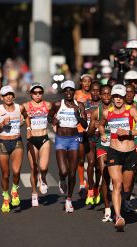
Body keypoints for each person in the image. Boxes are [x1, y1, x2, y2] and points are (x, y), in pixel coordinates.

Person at [99, 84, 137, 231]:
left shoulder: (131, 110)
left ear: (124, 97)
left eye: (120, 96)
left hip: (130, 152)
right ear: (112, 97)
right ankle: (118, 215)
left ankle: (123, 202)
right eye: (116, 97)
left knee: (126, 187)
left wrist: (129, 133)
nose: (118, 99)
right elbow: (101, 125)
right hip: (114, 151)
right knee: (117, 183)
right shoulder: (107, 112)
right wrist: (103, 133)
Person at [48, 80, 88, 213]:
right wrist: (53, 121)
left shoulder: (79, 105)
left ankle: (69, 199)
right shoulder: (58, 104)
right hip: (61, 139)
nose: (69, 92)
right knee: (64, 171)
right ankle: (61, 178)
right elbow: (49, 117)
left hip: (74, 139)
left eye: (71, 90)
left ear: (74, 91)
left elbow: (85, 125)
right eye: (66, 90)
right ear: (63, 92)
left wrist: (78, 116)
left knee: (72, 172)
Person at [0, 85, 29, 213]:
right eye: (6, 95)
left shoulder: (19, 107)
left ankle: (15, 190)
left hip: (17, 141)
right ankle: (6, 197)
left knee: (16, 172)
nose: (8, 97)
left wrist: (26, 127)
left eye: (10, 94)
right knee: (5, 175)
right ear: (1, 97)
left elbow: (26, 116)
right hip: (3, 143)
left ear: (14, 96)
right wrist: (2, 124)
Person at [87, 84, 113, 221]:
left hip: (117, 146)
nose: (106, 96)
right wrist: (95, 125)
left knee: (117, 178)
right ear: (101, 96)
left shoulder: (118, 108)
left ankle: (120, 201)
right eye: (104, 94)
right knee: (104, 173)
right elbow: (89, 134)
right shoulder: (96, 111)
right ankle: (107, 209)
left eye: (109, 94)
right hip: (102, 145)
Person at [24, 82, 52, 207]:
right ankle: (34, 193)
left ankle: (43, 177)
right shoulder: (25, 106)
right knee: (34, 169)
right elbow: (19, 120)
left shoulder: (48, 105)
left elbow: (53, 118)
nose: (37, 95)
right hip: (32, 139)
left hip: (44, 138)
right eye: (35, 93)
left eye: (40, 92)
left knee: (43, 167)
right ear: (31, 94)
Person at [123, 83, 137, 211]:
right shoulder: (118, 106)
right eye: (127, 92)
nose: (129, 95)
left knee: (133, 171)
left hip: (135, 140)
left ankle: (127, 199)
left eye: (132, 92)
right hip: (120, 141)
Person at [83, 82, 102, 205]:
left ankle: (96, 187)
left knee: (99, 166)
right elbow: (82, 121)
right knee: (90, 162)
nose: (95, 93)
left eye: (97, 90)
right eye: (93, 90)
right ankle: (90, 189)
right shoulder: (86, 104)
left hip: (101, 138)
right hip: (89, 137)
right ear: (90, 91)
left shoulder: (104, 105)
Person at [74, 74, 93, 198]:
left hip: (92, 131)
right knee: (81, 159)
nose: (87, 83)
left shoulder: (95, 94)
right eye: (84, 81)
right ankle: (82, 183)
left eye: (89, 81)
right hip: (79, 129)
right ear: (81, 82)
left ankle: (93, 185)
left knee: (92, 161)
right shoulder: (76, 94)